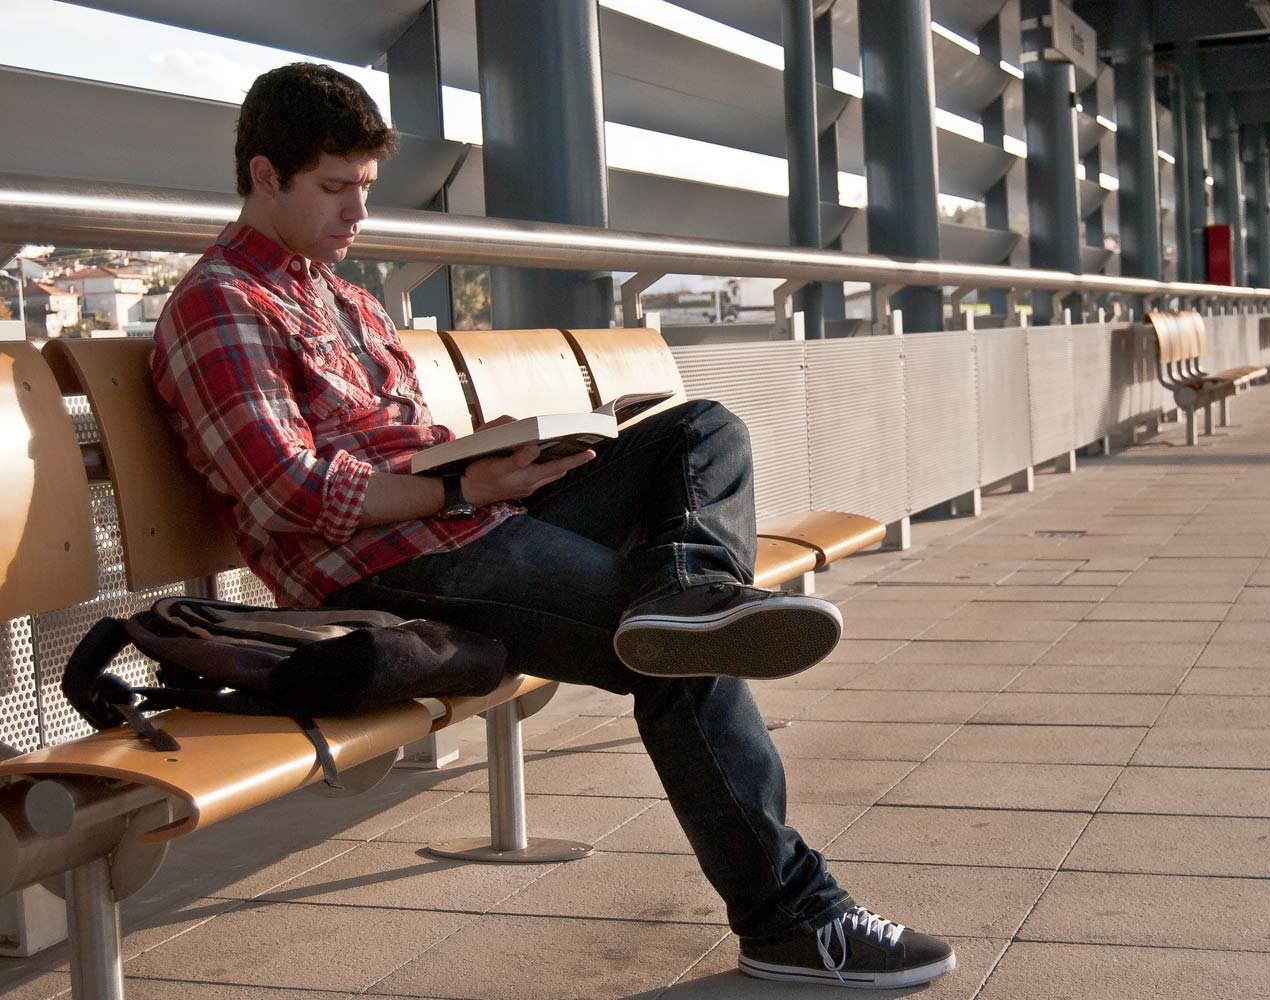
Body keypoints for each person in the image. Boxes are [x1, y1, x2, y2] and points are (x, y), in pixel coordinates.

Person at [152, 62, 954, 990]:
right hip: (377, 569)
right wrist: (463, 490)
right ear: (263, 175)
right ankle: (793, 920)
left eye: (364, 190)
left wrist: (495, 459)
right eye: (334, 189)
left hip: (462, 518)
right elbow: (286, 493)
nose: (356, 215)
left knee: (700, 430)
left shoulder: (345, 297)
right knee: (680, 654)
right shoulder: (220, 304)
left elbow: (403, 446)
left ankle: (689, 588)